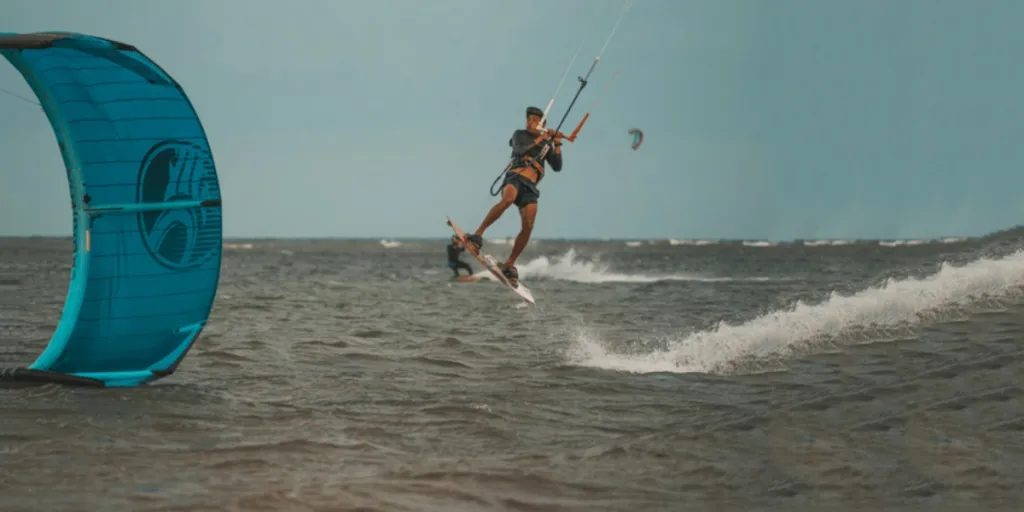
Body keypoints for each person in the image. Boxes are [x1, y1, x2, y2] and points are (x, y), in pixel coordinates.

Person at [462, 106, 564, 283]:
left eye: (534, 120)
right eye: (529, 119)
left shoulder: (546, 145)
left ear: (543, 124)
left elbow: (557, 167)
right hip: (516, 177)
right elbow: (519, 151)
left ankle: (509, 264)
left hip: (531, 187)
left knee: (528, 226)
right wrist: (543, 137)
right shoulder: (519, 134)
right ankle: (477, 236)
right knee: (507, 199)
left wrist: (557, 143)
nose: (530, 122)